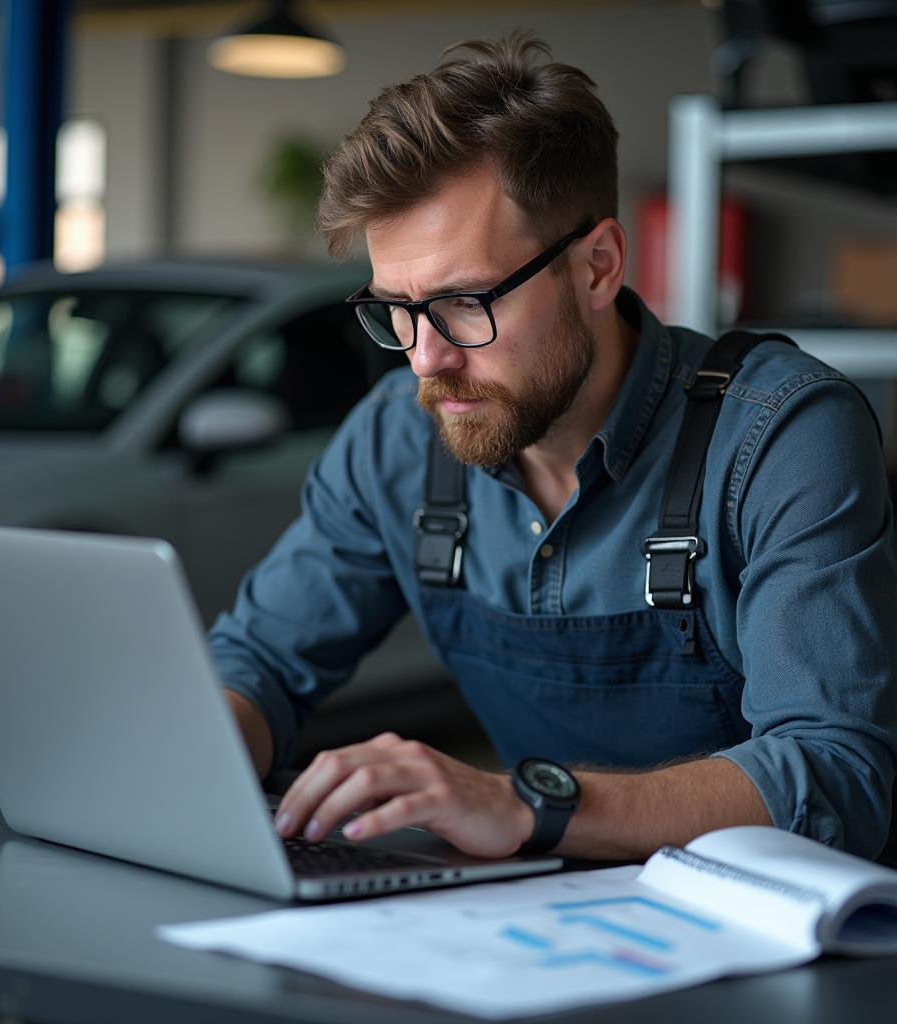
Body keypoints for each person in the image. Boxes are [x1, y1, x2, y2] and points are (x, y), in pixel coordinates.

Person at [212, 33, 897, 862]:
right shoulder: (397, 440)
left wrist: (526, 804)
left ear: (599, 266)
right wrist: (191, 747)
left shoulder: (783, 436)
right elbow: (258, 664)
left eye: (465, 302)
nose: (426, 359)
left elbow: (836, 774)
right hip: (546, 933)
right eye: (397, 307)